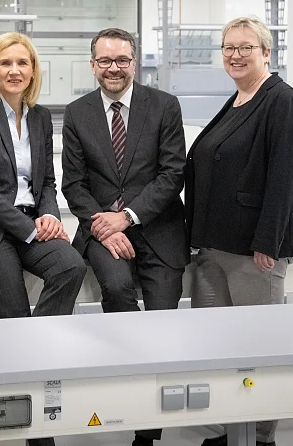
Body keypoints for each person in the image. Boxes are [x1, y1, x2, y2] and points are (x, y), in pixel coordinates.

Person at [185, 16, 293, 446]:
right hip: (216, 245)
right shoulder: (240, 98)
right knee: (220, 345)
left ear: (266, 53)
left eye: (245, 47)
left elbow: (286, 178)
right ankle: (233, 427)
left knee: (258, 346)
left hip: (252, 252)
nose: (235, 55)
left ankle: (260, 435)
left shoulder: (283, 102)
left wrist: (268, 243)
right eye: (228, 48)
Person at [61, 27, 189, 446]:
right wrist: (103, 223)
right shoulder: (78, 113)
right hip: (102, 232)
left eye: (122, 60)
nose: (114, 68)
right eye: (105, 61)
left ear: (134, 62)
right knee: (117, 293)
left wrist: (128, 217)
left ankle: (147, 431)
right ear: (93, 64)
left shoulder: (165, 106)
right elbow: (73, 183)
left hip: (160, 229)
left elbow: (173, 174)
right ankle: (120, 389)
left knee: (162, 328)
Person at [0, 31, 86, 350]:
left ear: (33, 70)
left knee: (71, 266)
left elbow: (48, 182)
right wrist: (30, 229)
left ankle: (34, 350)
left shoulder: (40, 118)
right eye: (6, 63)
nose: (15, 70)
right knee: (15, 314)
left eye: (22, 63)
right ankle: (28, 361)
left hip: (30, 225)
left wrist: (50, 215)